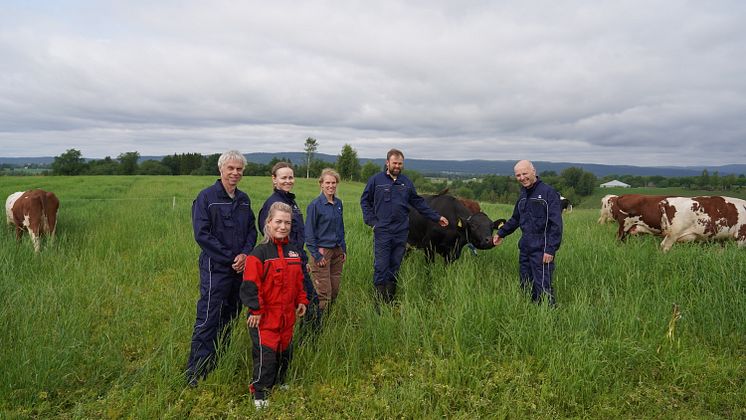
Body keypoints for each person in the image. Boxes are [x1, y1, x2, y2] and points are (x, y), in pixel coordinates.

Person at [186, 150, 257, 387]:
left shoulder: (244, 199)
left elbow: (251, 230)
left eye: (239, 169)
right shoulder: (206, 198)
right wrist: (231, 258)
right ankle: (196, 373)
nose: (235, 173)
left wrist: (246, 254)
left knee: (230, 317)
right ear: (221, 169)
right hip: (215, 269)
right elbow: (202, 235)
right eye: (231, 168)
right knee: (208, 318)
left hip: (239, 271)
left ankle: (218, 362)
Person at [242, 202, 308, 410]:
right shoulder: (259, 253)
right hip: (264, 318)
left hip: (287, 317)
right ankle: (259, 392)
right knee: (266, 356)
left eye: (287, 222)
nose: (283, 226)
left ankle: (280, 381)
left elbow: (299, 281)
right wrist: (255, 310)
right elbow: (251, 284)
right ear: (268, 223)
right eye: (278, 221)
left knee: (284, 351)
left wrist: (302, 301)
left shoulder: (294, 253)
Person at [360, 149, 448, 303]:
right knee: (381, 266)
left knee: (395, 265)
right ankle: (378, 304)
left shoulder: (406, 183)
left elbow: (419, 203)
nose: (397, 166)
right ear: (387, 162)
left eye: (400, 163)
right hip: (382, 231)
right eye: (394, 163)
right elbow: (365, 201)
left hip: (401, 232)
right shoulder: (376, 180)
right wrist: (372, 222)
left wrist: (437, 217)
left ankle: (390, 300)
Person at [257, 162, 320, 327]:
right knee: (304, 304)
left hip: (297, 260)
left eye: (290, 177)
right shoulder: (273, 204)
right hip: (283, 265)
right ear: (274, 179)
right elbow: (269, 235)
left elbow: (297, 236)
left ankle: (306, 342)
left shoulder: (291, 203)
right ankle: (299, 342)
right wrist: (293, 259)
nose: (288, 181)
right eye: (283, 177)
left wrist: (303, 259)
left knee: (307, 303)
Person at [492, 160, 563, 305]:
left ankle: (549, 318)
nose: (522, 178)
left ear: (534, 172)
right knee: (526, 285)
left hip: (542, 248)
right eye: (518, 175)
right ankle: (531, 313)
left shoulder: (548, 193)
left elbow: (556, 225)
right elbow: (516, 218)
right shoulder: (523, 194)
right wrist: (501, 233)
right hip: (525, 247)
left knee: (543, 287)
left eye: (524, 173)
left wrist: (550, 249)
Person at [305, 168, 346, 313]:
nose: (331, 186)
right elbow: (309, 232)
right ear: (321, 184)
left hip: (337, 252)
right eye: (327, 182)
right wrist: (316, 254)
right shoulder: (315, 205)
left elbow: (340, 228)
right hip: (322, 252)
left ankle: (329, 319)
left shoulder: (339, 203)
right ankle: (318, 323)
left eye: (334, 183)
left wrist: (343, 249)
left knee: (334, 290)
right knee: (324, 293)